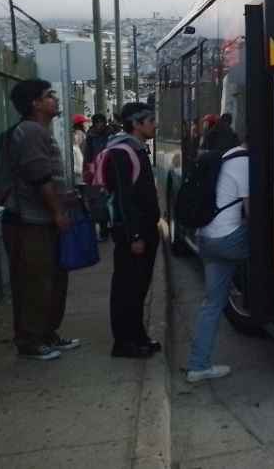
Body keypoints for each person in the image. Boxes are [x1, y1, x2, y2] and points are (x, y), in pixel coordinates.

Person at [2, 79, 81, 360]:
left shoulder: (38, 131)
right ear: (35, 104)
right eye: (49, 96)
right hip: (29, 223)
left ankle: (47, 334)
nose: (55, 100)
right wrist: (58, 212)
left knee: (52, 281)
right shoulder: (31, 132)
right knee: (34, 283)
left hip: (41, 221)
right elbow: (41, 178)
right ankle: (30, 341)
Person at [185, 139, 253, 383]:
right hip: (227, 241)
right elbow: (253, 211)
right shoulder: (245, 163)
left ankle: (198, 366)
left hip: (206, 238)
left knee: (212, 304)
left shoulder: (225, 157)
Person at [104, 102, 162, 358]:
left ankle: (138, 337)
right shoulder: (122, 151)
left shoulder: (136, 148)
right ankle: (124, 343)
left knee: (139, 288)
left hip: (144, 230)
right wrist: (134, 236)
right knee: (127, 288)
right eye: (150, 121)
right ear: (136, 124)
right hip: (132, 234)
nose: (155, 125)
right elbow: (124, 199)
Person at [82, 113, 114, 239]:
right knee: (99, 203)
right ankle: (103, 229)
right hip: (96, 173)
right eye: (97, 122)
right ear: (94, 124)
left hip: (110, 171)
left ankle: (112, 227)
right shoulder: (91, 137)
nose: (100, 125)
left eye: (102, 122)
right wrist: (88, 172)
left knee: (111, 201)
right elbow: (88, 156)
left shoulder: (111, 135)